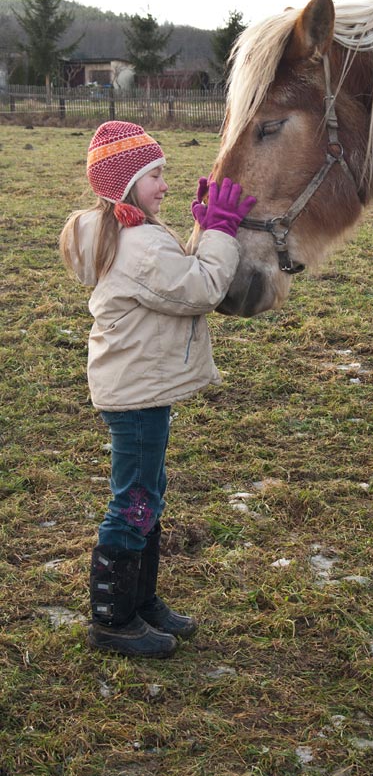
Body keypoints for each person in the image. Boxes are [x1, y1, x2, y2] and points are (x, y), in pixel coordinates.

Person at [60, 120, 256, 658]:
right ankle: (112, 619)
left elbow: (171, 276)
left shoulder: (122, 233)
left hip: (135, 387)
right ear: (126, 187)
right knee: (135, 501)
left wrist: (198, 232)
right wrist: (219, 231)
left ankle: (141, 601)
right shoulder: (141, 244)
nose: (165, 184)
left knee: (148, 493)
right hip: (138, 393)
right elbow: (201, 287)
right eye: (154, 175)